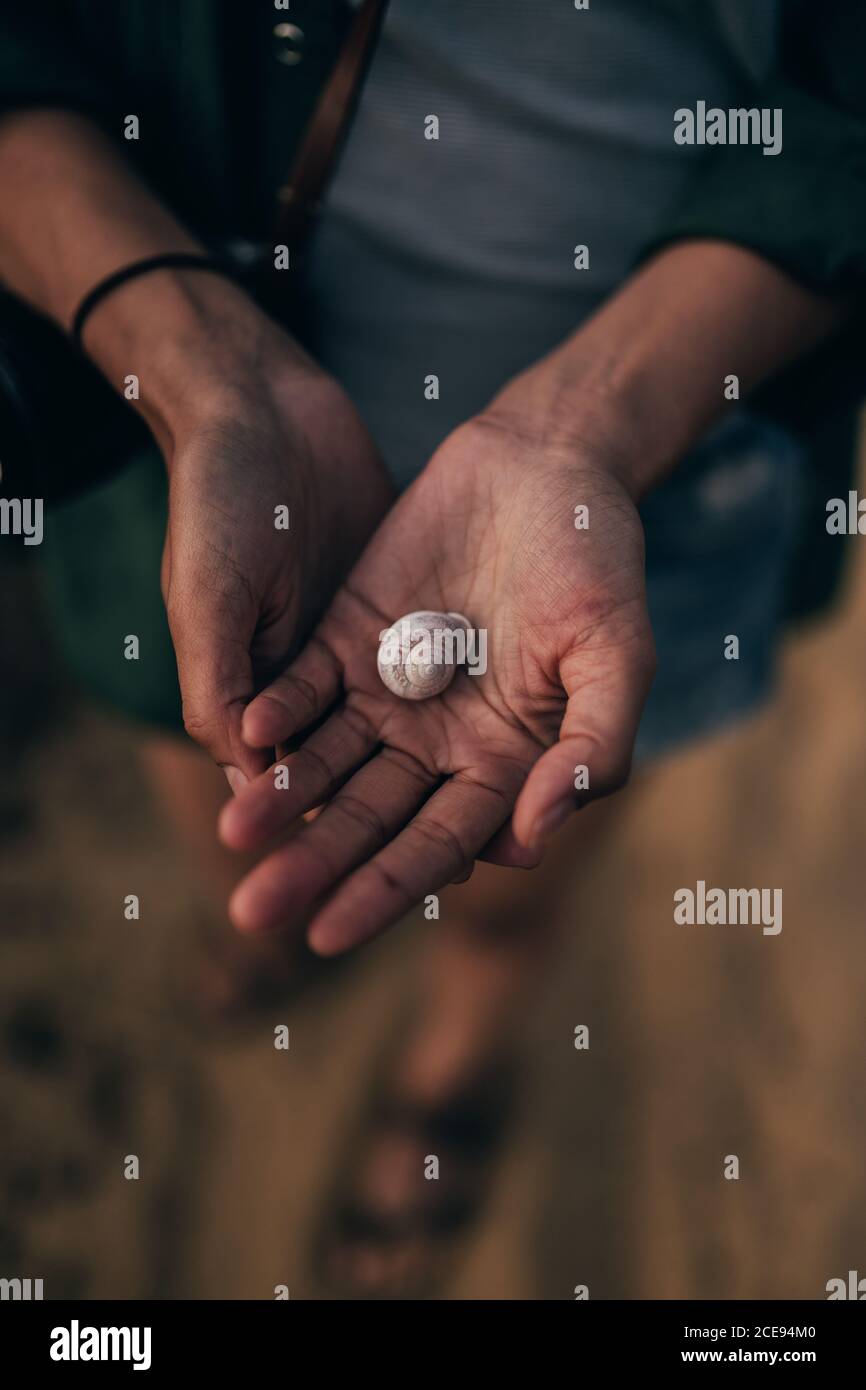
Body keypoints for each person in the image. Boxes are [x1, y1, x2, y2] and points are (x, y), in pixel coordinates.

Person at [0, 0, 864, 1295]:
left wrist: (582, 437)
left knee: (510, 857)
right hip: (178, 452)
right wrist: (193, 370)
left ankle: (453, 1063)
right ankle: (269, 941)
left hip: (653, 458)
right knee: (221, 754)